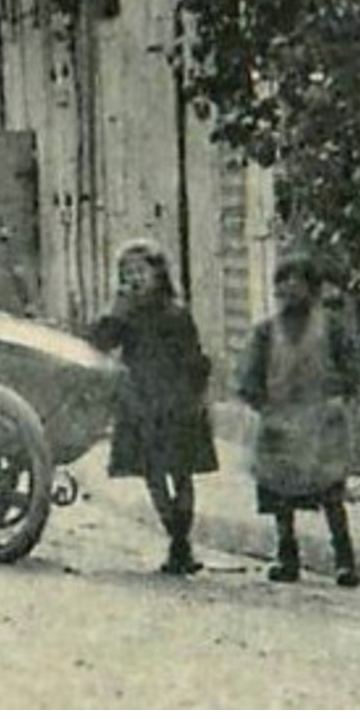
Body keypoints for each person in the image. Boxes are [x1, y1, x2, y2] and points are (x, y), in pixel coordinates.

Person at [89, 238, 219, 575]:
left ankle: (181, 540)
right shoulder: (126, 313)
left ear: (159, 274)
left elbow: (194, 359)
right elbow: (101, 343)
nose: (134, 278)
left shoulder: (176, 314)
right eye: (126, 272)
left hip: (176, 401)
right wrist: (116, 309)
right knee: (153, 475)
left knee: (183, 473)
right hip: (140, 401)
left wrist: (197, 398)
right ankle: (177, 540)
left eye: (140, 271)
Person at [236, 248, 360, 587]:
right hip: (279, 420)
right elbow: (248, 377)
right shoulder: (265, 332)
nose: (290, 291)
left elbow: (351, 369)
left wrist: (340, 398)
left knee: (330, 492)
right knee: (279, 494)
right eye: (283, 283)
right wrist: (263, 408)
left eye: (299, 283)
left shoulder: (330, 328)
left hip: (321, 421)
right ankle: (286, 555)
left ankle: (344, 559)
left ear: (314, 289)